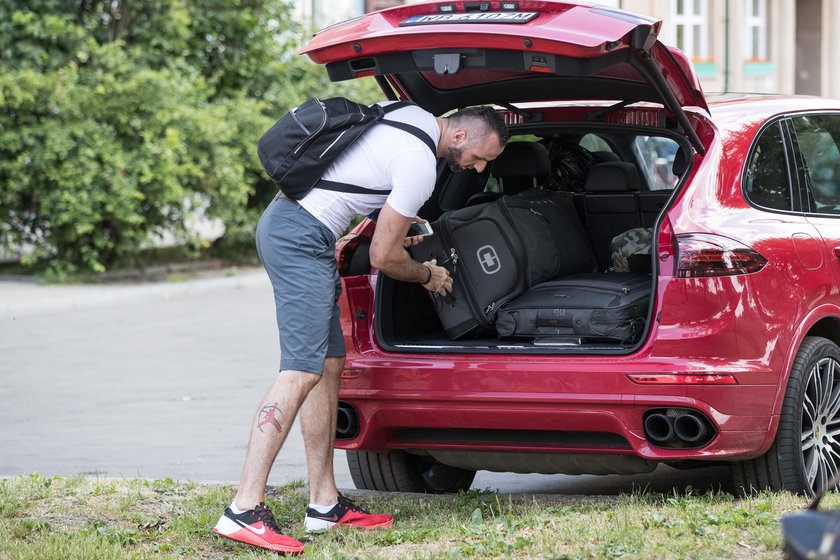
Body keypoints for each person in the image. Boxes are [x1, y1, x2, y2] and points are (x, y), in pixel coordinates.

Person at [212, 103, 508, 553]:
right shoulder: (419, 164)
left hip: (299, 230)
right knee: (299, 371)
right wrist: (429, 275)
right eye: (482, 157)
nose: (481, 168)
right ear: (462, 137)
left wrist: (391, 230)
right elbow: (383, 259)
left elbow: (360, 183)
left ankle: (324, 504)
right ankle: (244, 509)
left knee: (328, 365)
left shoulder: (408, 114)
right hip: (299, 238)